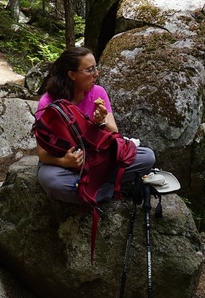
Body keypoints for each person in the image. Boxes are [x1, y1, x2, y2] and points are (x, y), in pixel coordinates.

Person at [35, 47, 155, 204]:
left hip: (97, 158)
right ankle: (109, 190)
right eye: (90, 70)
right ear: (72, 75)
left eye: (95, 67)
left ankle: (85, 188)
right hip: (65, 164)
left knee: (147, 157)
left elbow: (115, 133)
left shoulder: (98, 93)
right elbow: (42, 152)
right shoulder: (48, 102)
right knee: (51, 180)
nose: (96, 74)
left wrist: (101, 122)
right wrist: (64, 162)